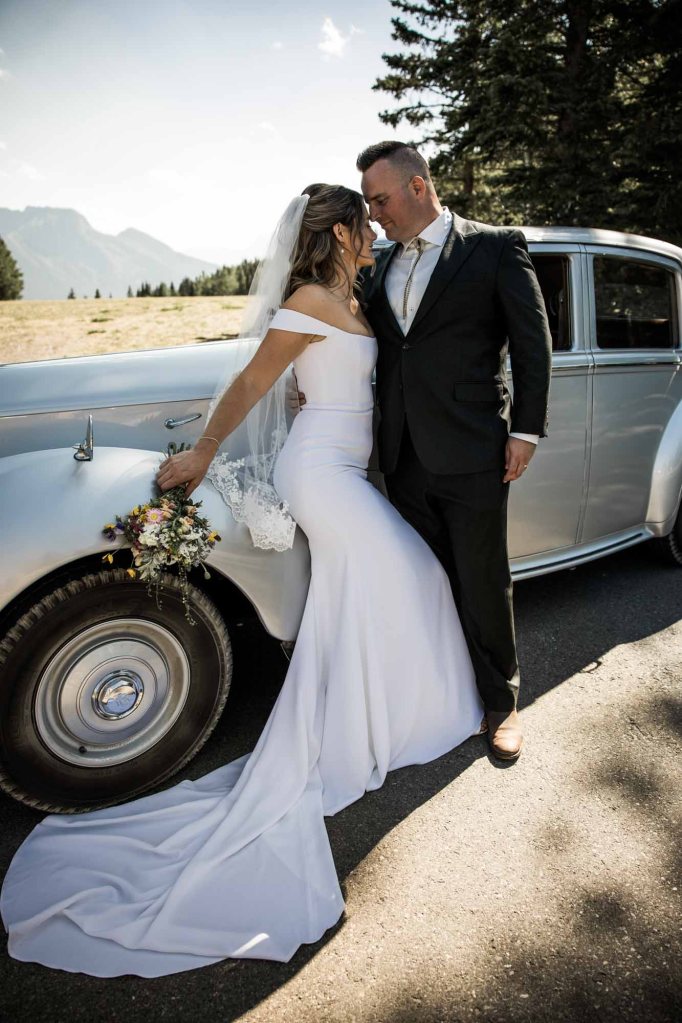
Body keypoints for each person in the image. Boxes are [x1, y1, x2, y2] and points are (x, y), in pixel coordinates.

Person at [1, 184, 484, 978]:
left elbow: (319, 380)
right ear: (336, 232)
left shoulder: (341, 296)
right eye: (363, 220)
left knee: (370, 593)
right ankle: (381, 724)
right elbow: (256, 380)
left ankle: (383, 718)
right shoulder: (308, 296)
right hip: (320, 475)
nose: (373, 229)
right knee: (415, 577)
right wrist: (203, 450)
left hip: (342, 465)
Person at [298, 145, 552, 760]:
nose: (374, 213)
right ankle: (442, 695)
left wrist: (525, 431)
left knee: (482, 577)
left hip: (474, 449)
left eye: (380, 200)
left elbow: (532, 342)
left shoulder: (493, 246)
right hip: (402, 453)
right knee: (424, 581)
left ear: (417, 187)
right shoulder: (377, 262)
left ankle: (502, 702)